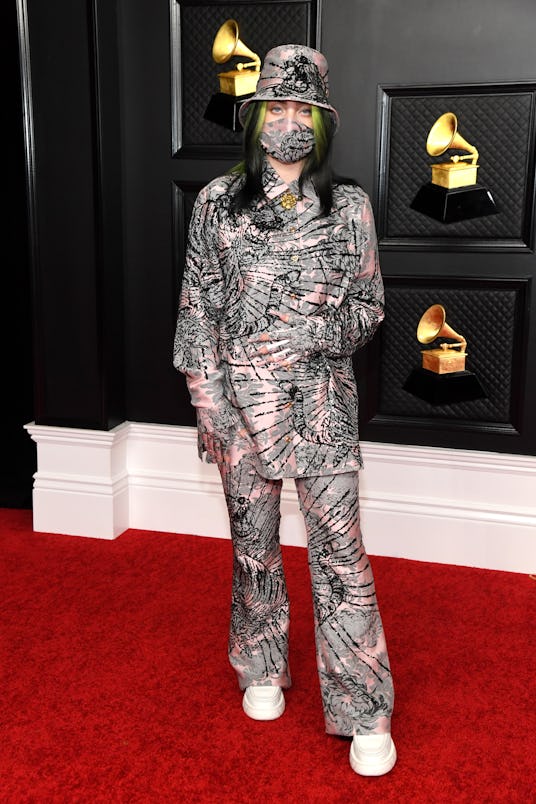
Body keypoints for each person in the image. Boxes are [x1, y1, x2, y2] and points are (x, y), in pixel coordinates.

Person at [173, 44, 396, 777]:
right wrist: (209, 407)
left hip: (324, 407)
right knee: (254, 546)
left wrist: (312, 330)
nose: (290, 121)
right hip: (239, 408)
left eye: (304, 109)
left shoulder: (351, 205)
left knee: (340, 556)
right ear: (257, 116)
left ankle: (364, 707)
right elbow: (196, 312)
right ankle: (261, 666)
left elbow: (370, 308)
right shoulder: (214, 204)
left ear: (322, 121)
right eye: (278, 107)